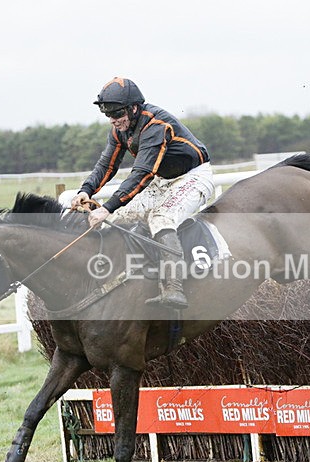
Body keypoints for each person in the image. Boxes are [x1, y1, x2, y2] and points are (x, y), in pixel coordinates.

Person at [71, 77, 213, 309]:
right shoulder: (120, 130)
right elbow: (106, 165)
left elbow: (142, 174)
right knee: (117, 218)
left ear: (134, 108)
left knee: (160, 217)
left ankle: (174, 288)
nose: (113, 121)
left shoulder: (155, 126)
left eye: (117, 114)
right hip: (163, 181)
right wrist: (86, 190)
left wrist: (106, 207)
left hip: (193, 177)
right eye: (108, 115)